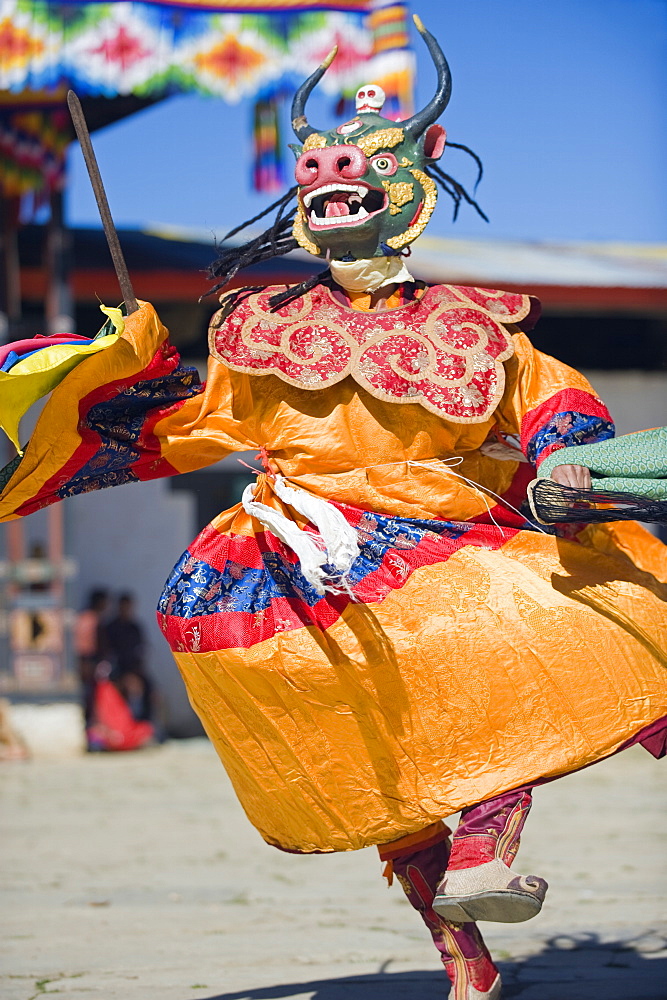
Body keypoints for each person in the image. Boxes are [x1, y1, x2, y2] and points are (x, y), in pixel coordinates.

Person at [0, 19, 665, 999]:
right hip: (307, 567)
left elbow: (559, 411)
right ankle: (463, 952)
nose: (328, 172)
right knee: (388, 771)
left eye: (362, 163)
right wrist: (110, 384)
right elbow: (185, 429)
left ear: (416, 175)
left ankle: (485, 847)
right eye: (314, 165)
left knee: (504, 638)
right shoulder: (262, 330)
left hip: (454, 546)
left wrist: (573, 470)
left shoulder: (481, 330)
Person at [107, 593, 153, 722]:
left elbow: (141, 649)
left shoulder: (135, 627)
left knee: (150, 691)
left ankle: (145, 723)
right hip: (117, 669)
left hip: (135, 668)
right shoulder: (112, 627)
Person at [73, 588, 109, 731]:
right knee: (90, 698)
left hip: (86, 662)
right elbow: (86, 645)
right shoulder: (92, 619)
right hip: (87, 662)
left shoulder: (83, 617)